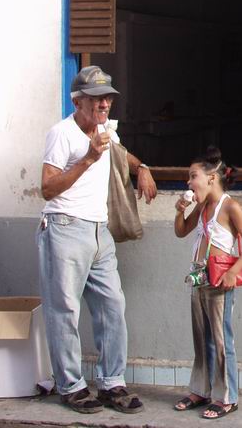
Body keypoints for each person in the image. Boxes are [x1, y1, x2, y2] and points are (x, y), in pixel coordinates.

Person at [38, 65, 157, 413]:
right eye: (95, 98)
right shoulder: (62, 134)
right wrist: (88, 158)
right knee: (64, 311)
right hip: (63, 226)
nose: (103, 104)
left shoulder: (105, 130)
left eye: (107, 97)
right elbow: (47, 187)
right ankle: (71, 386)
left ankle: (111, 383)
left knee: (112, 305)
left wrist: (142, 167)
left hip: (98, 230)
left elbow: (120, 154)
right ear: (78, 101)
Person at [173, 146, 242, 420]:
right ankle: (202, 389)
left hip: (220, 280)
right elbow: (182, 231)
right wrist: (180, 211)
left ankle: (227, 397)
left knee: (221, 340)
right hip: (199, 277)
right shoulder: (203, 206)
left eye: (193, 175)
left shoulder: (229, 206)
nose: (189, 182)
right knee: (201, 338)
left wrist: (234, 271)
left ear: (211, 177)